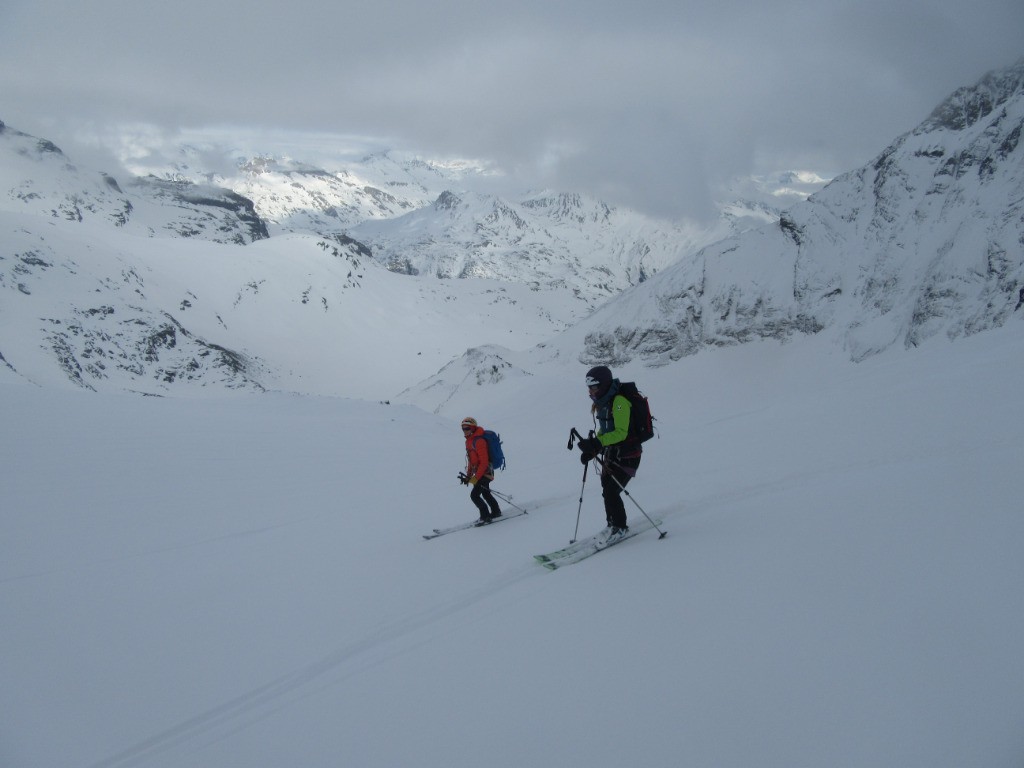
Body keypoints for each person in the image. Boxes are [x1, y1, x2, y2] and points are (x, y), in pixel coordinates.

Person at [576, 365, 642, 538]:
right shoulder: (603, 402)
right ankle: (612, 524)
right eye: (589, 387)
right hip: (613, 454)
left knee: (612, 491)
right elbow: (605, 431)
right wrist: (593, 447)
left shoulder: (619, 402)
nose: (591, 390)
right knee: (606, 490)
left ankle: (620, 527)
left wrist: (597, 442)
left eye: (594, 386)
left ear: (604, 384)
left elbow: (621, 432)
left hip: (629, 455)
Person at [460, 417, 502, 523]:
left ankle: (485, 517)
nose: (465, 430)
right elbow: (470, 460)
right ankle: (496, 512)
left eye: (467, 428)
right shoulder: (468, 441)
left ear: (473, 428)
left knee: (474, 495)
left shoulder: (479, 441)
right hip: (478, 472)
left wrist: (475, 478)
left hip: (486, 472)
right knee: (485, 493)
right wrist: (469, 476)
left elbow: (484, 462)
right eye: (463, 428)